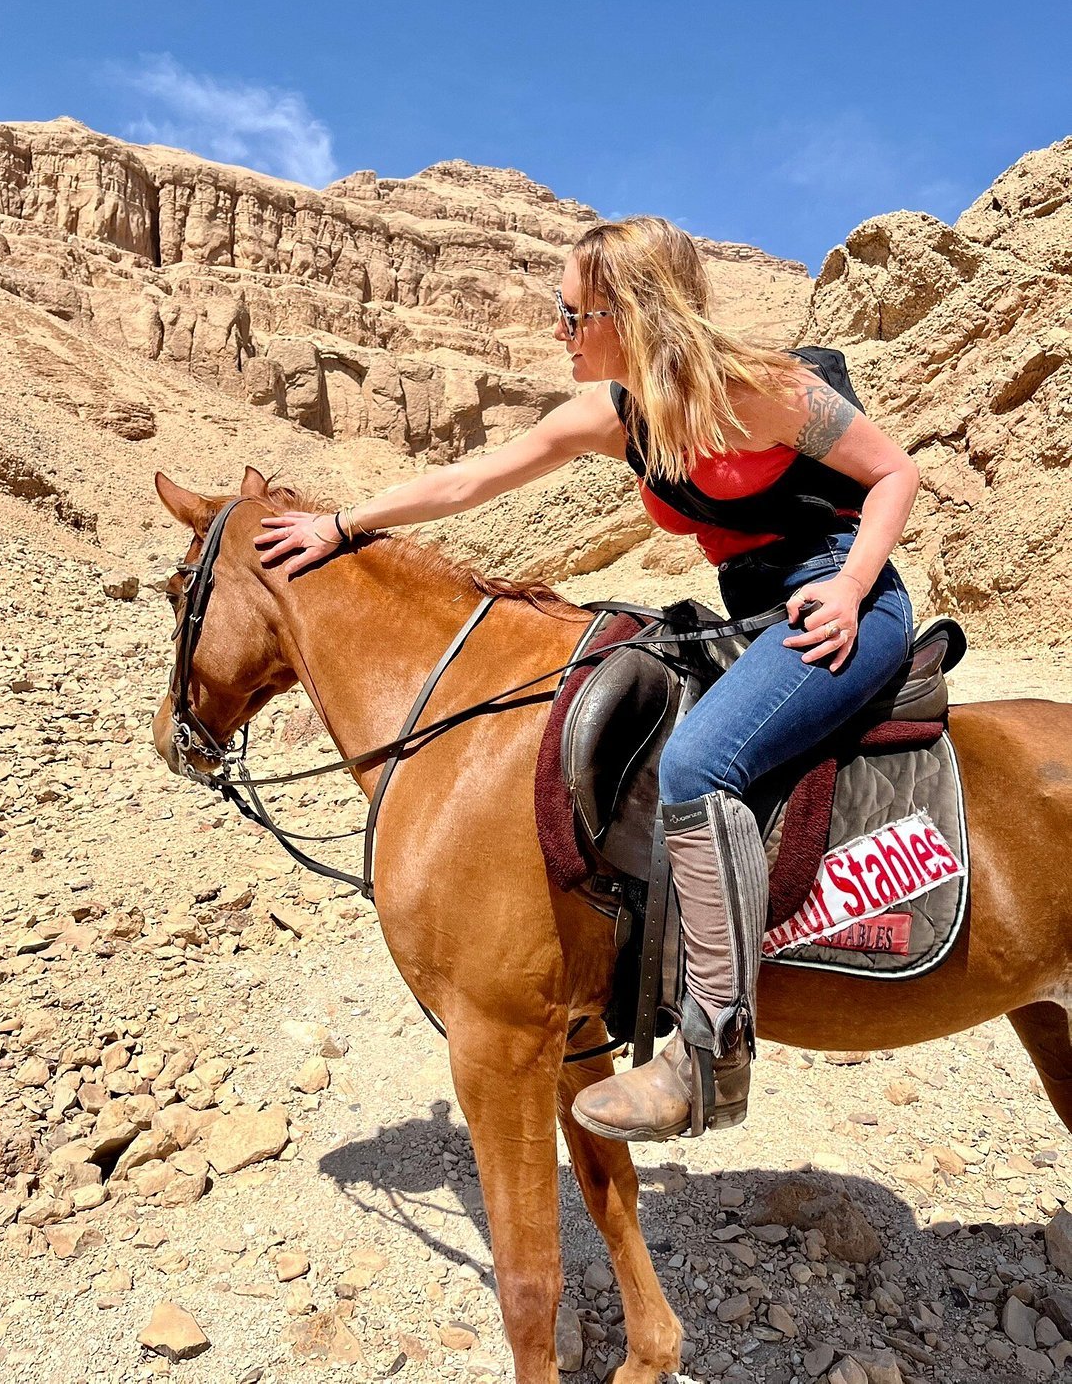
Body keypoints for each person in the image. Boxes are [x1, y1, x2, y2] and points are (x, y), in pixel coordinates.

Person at [255, 216, 919, 1144]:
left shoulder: (759, 390)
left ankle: (710, 1051)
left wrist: (849, 590)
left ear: (631, 314)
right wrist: (339, 523)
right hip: (758, 611)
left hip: (844, 601)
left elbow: (894, 473)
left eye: (572, 314)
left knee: (699, 763)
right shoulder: (619, 413)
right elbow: (472, 480)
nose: (558, 329)